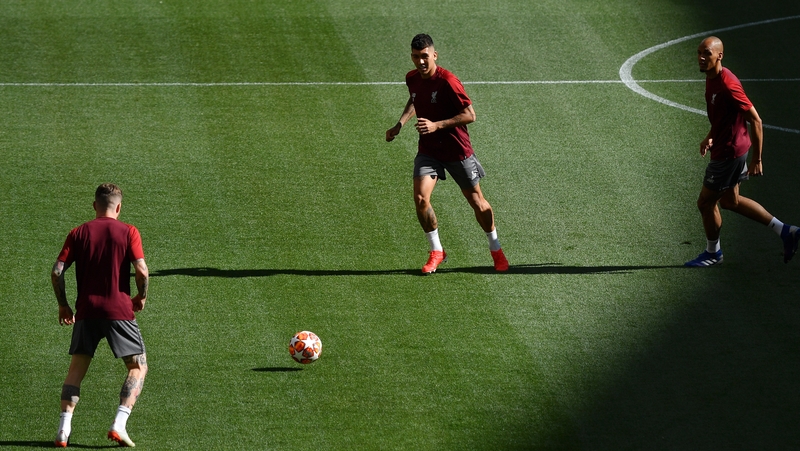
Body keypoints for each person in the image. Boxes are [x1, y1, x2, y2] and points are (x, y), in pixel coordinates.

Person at [385, 33, 509, 274]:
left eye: (424, 56)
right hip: (429, 150)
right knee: (420, 199)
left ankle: (496, 249)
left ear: (434, 55)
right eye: (415, 57)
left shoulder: (449, 81)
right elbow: (414, 99)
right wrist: (399, 124)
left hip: (456, 150)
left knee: (477, 202)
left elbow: (470, 115)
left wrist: (436, 125)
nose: (420, 62)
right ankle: (437, 251)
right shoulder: (412, 78)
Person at [685, 36, 798, 267]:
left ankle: (713, 253)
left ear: (719, 56)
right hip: (729, 147)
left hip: (729, 154)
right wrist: (710, 136)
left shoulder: (728, 84)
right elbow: (724, 116)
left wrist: (758, 159)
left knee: (705, 203)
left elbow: (756, 120)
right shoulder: (712, 77)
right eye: (699, 53)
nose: (701, 57)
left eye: (707, 53)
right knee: (730, 201)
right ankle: (786, 231)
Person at [51, 183, 149, 447]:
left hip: (86, 312)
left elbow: (57, 271)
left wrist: (63, 305)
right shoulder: (129, 231)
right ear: (119, 207)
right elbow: (142, 271)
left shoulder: (78, 233)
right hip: (119, 311)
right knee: (137, 366)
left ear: (95, 205)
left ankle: (63, 429)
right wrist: (141, 296)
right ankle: (119, 423)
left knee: (76, 370)